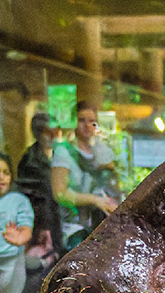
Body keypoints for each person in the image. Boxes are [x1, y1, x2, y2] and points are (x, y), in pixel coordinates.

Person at [51, 101, 120, 250]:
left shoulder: (102, 150)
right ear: (74, 123)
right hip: (74, 229)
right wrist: (94, 200)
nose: (87, 125)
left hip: (103, 225)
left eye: (92, 121)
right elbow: (60, 193)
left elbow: (114, 186)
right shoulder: (64, 152)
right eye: (81, 120)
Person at [16, 112, 63, 268]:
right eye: (48, 132)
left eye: (56, 131)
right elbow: (32, 197)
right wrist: (42, 227)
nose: (53, 136)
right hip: (43, 225)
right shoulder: (29, 160)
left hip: (60, 220)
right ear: (38, 133)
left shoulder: (60, 155)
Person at [0, 152, 34, 293]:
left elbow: (26, 229)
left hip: (13, 261)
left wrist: (21, 238)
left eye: (5, 172)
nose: (1, 177)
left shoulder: (18, 201)